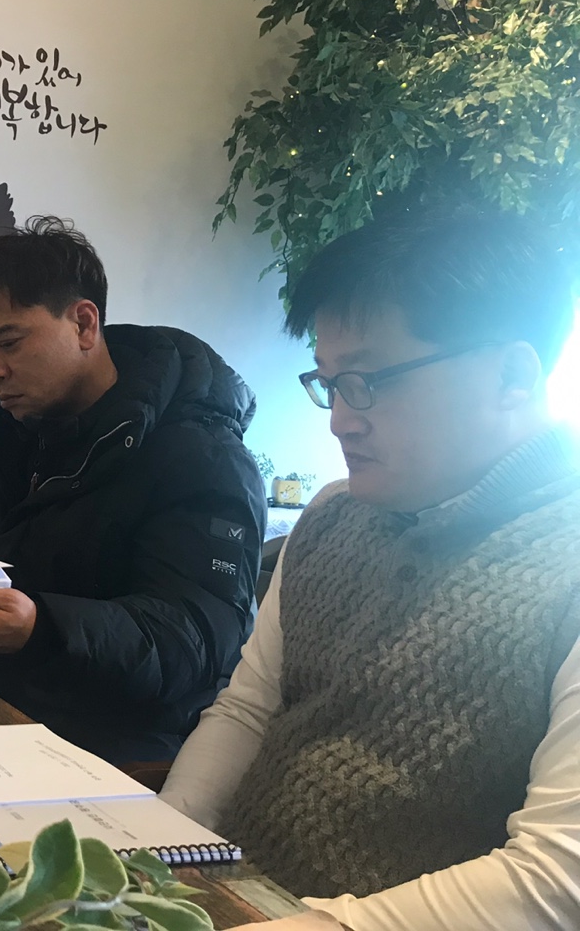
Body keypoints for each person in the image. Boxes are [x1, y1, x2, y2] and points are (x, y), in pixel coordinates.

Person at [160, 212, 580, 930]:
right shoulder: (332, 514)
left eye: (367, 381)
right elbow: (246, 712)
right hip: (227, 897)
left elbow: (557, 878)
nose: (339, 420)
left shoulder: (561, 561)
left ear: (511, 375)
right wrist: (156, 859)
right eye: (328, 383)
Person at [0, 217, 265, 763]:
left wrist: (40, 628)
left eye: (9, 342)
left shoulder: (201, 456)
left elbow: (191, 640)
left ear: (84, 324)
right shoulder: (4, 435)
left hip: (115, 746)